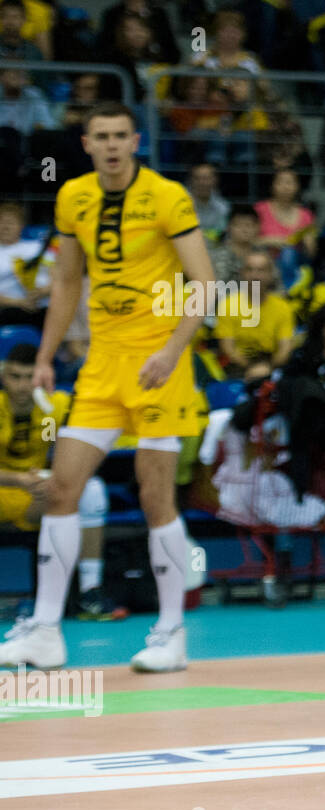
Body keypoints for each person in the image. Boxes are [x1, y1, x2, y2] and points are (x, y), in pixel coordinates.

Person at [0, 102, 216, 673]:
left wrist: (171, 352)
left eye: (122, 135)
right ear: (87, 143)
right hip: (102, 364)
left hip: (160, 364)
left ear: (136, 141)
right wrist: (46, 356)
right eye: (103, 136)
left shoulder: (168, 196)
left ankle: (171, 634)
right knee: (62, 488)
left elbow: (206, 285)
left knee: (154, 496)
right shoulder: (73, 196)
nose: (113, 145)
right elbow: (68, 281)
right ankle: (46, 631)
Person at [0, 343, 119, 620]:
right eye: (14, 377)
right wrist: (18, 479)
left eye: (29, 377)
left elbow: (76, 447)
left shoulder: (57, 406)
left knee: (92, 490)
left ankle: (90, 592)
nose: (21, 386)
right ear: (4, 377)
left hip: (37, 488)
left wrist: (54, 476)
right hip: (6, 487)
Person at [214, 249, 296, 374]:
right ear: (242, 273)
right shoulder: (228, 305)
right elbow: (227, 348)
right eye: (249, 270)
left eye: (261, 270)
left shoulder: (283, 307)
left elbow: (285, 349)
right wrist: (251, 369)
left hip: (271, 363)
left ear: (270, 274)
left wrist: (268, 369)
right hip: (238, 365)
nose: (255, 276)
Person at [0, 202, 49, 328]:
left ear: (21, 226)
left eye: (10, 222)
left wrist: (42, 292)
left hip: (43, 304)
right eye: (2, 222)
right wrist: (20, 303)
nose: (5, 227)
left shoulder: (37, 248)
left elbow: (59, 276)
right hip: (8, 308)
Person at [254, 168, 317, 266]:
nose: (285, 187)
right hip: (264, 263)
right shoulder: (259, 210)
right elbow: (248, 242)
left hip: (295, 264)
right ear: (272, 185)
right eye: (280, 182)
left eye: (289, 182)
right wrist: (271, 240)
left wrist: (308, 243)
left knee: (289, 253)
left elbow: (312, 254)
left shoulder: (306, 215)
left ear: (297, 187)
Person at [208, 205, 262, 286]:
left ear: (257, 227)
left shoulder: (263, 255)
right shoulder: (217, 256)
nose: (244, 230)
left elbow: (274, 284)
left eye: (249, 225)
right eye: (239, 225)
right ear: (229, 227)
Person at [188, 162, 230, 244]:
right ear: (191, 180)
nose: (202, 183)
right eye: (198, 178)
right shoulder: (181, 204)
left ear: (215, 180)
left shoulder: (223, 207)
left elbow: (222, 235)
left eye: (207, 178)